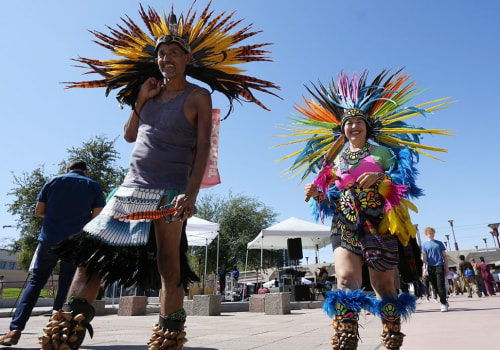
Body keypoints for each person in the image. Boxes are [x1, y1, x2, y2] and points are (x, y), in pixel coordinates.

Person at [37, 4, 279, 350]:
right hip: (130, 188)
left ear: (187, 58)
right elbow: (129, 136)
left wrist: (191, 195)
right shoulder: (148, 93)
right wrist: (139, 99)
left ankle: (168, 337)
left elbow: (204, 150)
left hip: (169, 190)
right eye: (161, 54)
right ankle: (66, 332)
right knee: (93, 258)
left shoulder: (199, 96)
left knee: (169, 263)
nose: (166, 59)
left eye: (173, 53)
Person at [284, 69, 451, 350]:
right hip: (345, 221)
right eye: (348, 123)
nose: (353, 126)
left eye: (358, 121)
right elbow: (330, 197)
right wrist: (316, 193)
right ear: (343, 129)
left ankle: (391, 339)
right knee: (346, 279)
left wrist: (381, 178)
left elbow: (404, 185)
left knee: (383, 287)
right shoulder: (334, 160)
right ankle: (345, 341)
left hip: (379, 223)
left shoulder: (383, 154)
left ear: (367, 126)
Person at [0, 160, 105, 347]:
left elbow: (39, 211)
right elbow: (97, 216)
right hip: (75, 242)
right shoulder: (93, 185)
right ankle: (55, 332)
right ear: (86, 171)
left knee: (35, 282)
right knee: (65, 285)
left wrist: (56, 216)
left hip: (49, 239)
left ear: (67, 170)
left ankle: (14, 330)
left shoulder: (53, 181)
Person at [421, 227, 449, 311]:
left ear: (434, 233)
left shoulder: (439, 243)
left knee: (440, 285)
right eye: (429, 233)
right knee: (435, 286)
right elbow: (425, 258)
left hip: (439, 265)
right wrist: (424, 268)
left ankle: (443, 303)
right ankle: (444, 300)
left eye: (432, 233)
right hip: (430, 267)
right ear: (426, 234)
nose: (431, 234)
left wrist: (446, 267)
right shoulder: (424, 245)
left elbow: (444, 256)